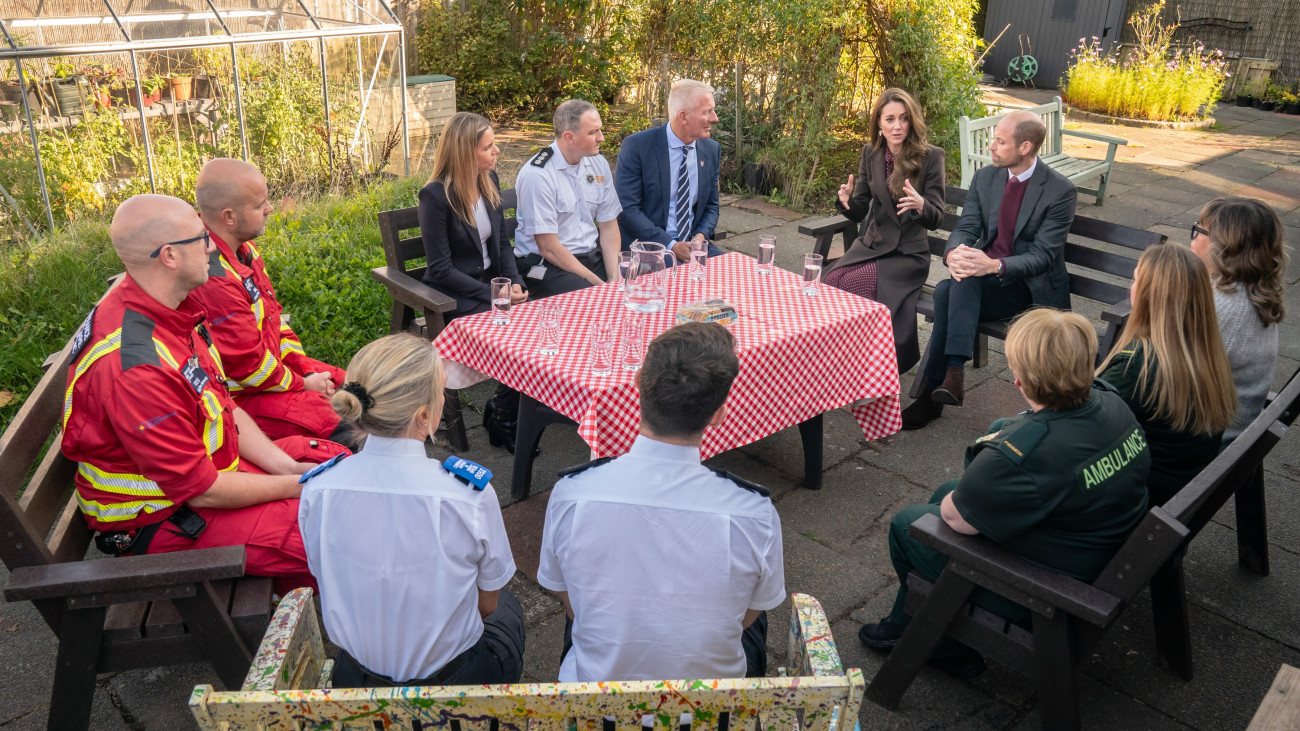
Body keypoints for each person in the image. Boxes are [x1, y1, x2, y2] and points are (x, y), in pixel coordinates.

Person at [61, 194, 349, 594]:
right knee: (335, 534)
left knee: (339, 467)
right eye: (200, 238)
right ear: (169, 257)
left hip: (207, 478)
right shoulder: (137, 368)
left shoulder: (168, 308)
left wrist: (288, 468)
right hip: (164, 520)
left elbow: (223, 405)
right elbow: (205, 490)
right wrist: (301, 485)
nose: (213, 246)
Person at [859, 309, 1150, 679]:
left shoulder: (1024, 454)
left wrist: (982, 469)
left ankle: (942, 643)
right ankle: (907, 616)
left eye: (1016, 369)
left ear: (1023, 380)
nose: (1013, 379)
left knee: (909, 524)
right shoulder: (1113, 404)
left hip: (1054, 589)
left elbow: (954, 515)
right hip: (1100, 543)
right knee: (948, 491)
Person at [538, 322, 785, 682]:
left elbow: (569, 601)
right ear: (718, 414)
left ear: (637, 383)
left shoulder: (573, 495)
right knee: (754, 610)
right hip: (708, 709)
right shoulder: (754, 513)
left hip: (596, 707)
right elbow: (747, 616)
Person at [299, 333, 524, 688]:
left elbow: (324, 574)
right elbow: (487, 604)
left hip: (357, 680)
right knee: (508, 609)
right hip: (454, 682)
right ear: (424, 416)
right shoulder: (466, 496)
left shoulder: (317, 490)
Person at [903, 110, 1078, 430]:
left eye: (1000, 141)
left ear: (1025, 147)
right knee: (954, 284)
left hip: (1027, 288)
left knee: (947, 291)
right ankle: (952, 375)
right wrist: (955, 252)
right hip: (982, 280)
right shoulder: (987, 178)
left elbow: (1043, 257)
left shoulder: (1059, 191)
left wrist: (994, 264)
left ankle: (936, 390)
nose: (991, 147)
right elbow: (967, 226)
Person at [191, 158, 353, 447]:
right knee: (345, 423)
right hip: (239, 398)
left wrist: (303, 368)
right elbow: (249, 368)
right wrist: (304, 384)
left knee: (359, 387)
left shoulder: (244, 250)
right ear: (229, 216)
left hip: (272, 378)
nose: (270, 209)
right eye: (259, 204)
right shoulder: (215, 279)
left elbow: (273, 320)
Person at [417, 111, 529, 452]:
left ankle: (503, 411)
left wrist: (515, 282)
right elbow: (440, 269)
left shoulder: (488, 180)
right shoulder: (435, 196)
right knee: (512, 334)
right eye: (488, 147)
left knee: (534, 326)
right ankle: (505, 416)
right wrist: (495, 294)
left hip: (490, 286)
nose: (496, 152)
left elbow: (502, 245)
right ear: (466, 152)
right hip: (455, 292)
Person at [1096, 245, 1237, 505]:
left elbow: (1077, 421)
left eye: (1135, 279)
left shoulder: (1139, 365)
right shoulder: (1206, 351)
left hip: (1136, 500)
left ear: (1150, 295)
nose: (1132, 287)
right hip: (1175, 492)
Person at [824, 88, 945, 373]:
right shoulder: (872, 153)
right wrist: (846, 202)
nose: (897, 126)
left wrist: (920, 205)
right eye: (890, 119)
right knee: (829, 282)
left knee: (853, 286)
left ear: (911, 121)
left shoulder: (931, 157)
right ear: (879, 122)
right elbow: (860, 208)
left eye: (904, 119)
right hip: (873, 246)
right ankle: (843, 357)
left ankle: (871, 364)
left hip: (906, 256)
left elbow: (937, 218)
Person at [1189, 196, 1288, 443]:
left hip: (1205, 440)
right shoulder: (1248, 290)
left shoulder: (1221, 305)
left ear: (1223, 245)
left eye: (1200, 230)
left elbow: (1166, 374)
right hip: (1232, 430)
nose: (1193, 236)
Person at [514, 99, 623, 297]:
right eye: (593, 132)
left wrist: (614, 279)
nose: (602, 138)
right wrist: (599, 285)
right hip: (547, 265)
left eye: (600, 129)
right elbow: (548, 248)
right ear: (569, 137)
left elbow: (608, 226)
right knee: (592, 299)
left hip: (591, 258)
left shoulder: (598, 163)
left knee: (636, 287)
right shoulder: (538, 175)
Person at [615, 79, 725, 262]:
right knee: (680, 284)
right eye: (707, 112)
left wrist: (700, 236)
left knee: (736, 275)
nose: (715, 118)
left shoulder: (711, 150)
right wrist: (671, 245)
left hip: (693, 246)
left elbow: (711, 207)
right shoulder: (638, 147)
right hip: (649, 247)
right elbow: (628, 209)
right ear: (683, 117)